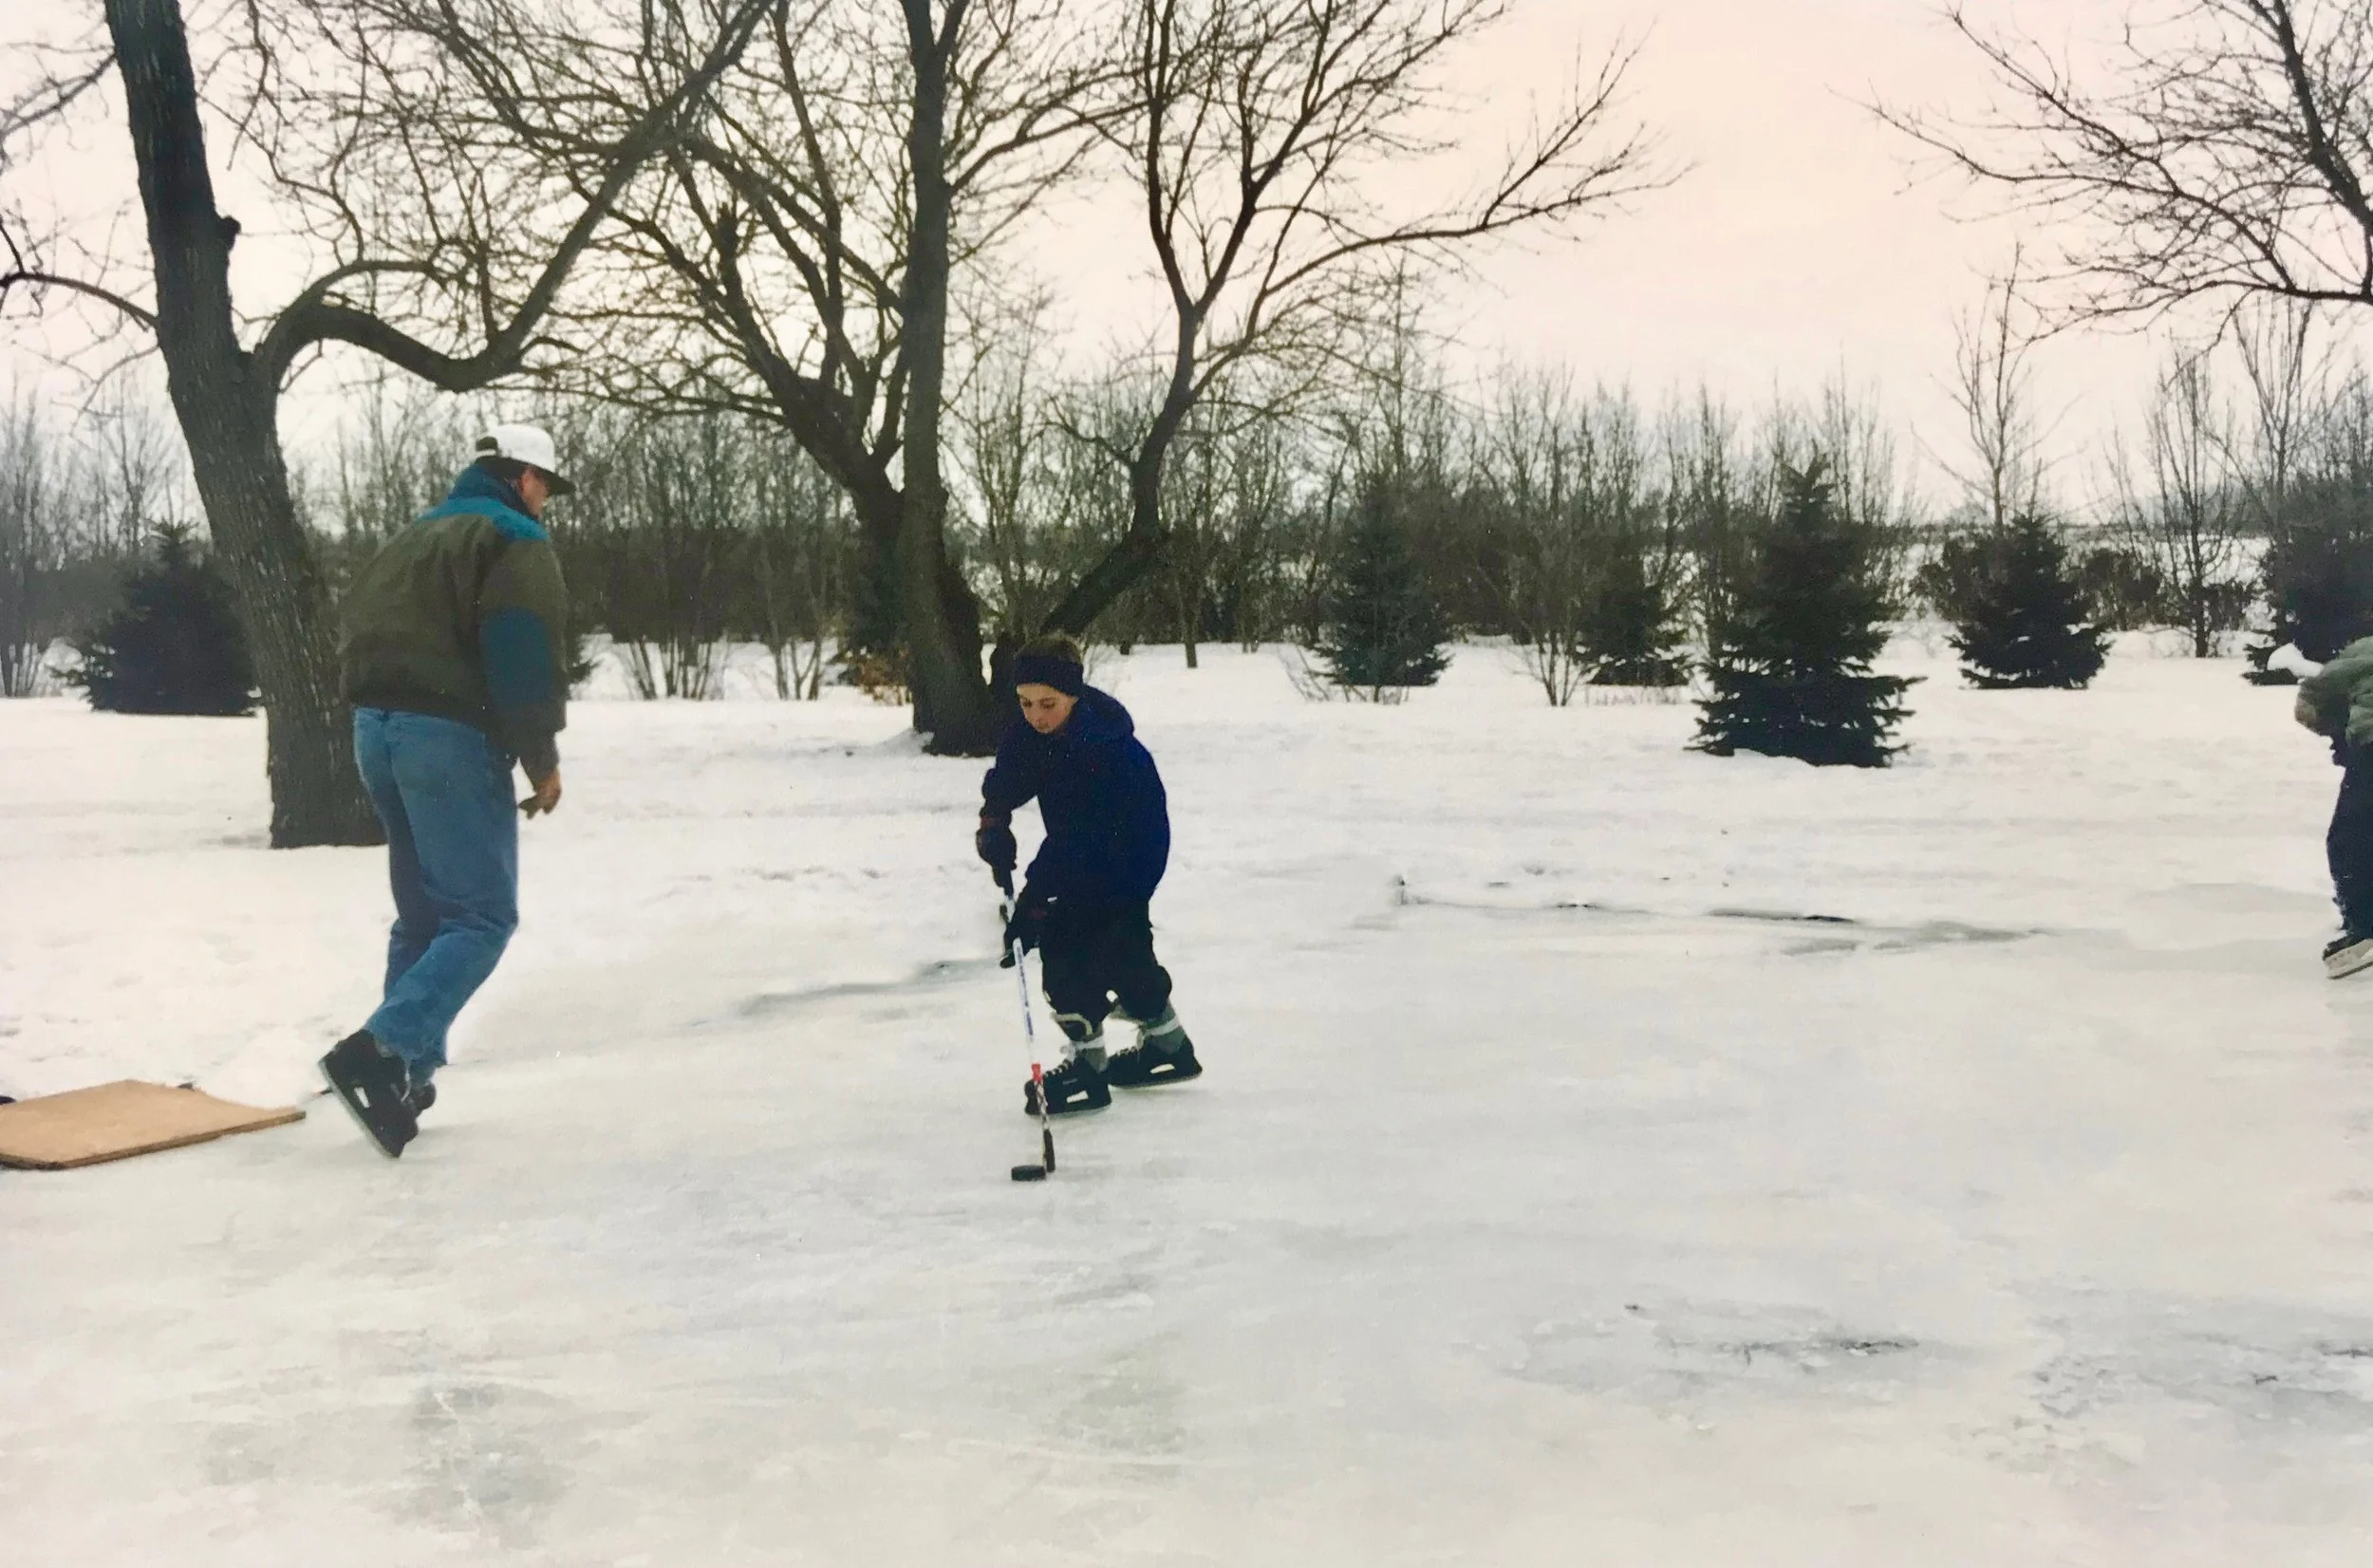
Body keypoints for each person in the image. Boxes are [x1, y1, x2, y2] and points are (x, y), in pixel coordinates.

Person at [319, 424, 575, 1155]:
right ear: (524, 476)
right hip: (447, 735)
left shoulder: (413, 535)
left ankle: (400, 1079)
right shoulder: (512, 536)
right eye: (547, 487)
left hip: (377, 729)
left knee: (426, 916)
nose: (547, 502)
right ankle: (380, 1048)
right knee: (482, 917)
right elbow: (521, 650)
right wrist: (540, 757)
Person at [977, 634, 1200, 1113]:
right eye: (1025, 702)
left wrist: (1035, 902)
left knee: (1065, 944)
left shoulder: (1098, 748)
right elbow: (1014, 771)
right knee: (1123, 948)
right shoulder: (1032, 728)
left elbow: (1074, 842)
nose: (1036, 714)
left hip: (1129, 852)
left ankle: (1087, 1068)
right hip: (1092, 848)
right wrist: (994, 819)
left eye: (1048, 704)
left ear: (1073, 696)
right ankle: (1168, 1045)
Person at [2297, 635, 2373, 978]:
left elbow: (2309, 703)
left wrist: (2338, 735)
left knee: (2349, 838)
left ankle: (2364, 927)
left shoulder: (2361, 651)